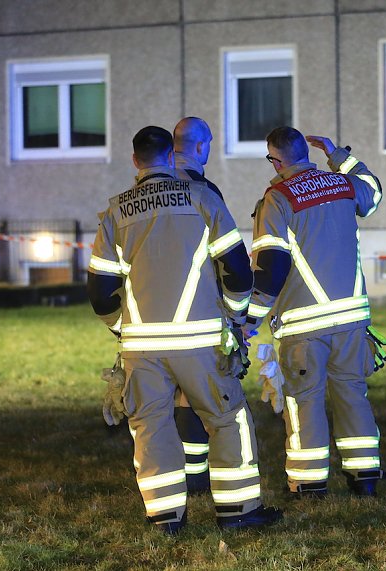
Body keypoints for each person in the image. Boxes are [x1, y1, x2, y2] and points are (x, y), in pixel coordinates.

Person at [87, 126, 282, 534]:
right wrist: (233, 317)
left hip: (143, 348)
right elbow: (236, 268)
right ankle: (239, 511)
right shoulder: (202, 198)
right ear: (170, 155)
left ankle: (165, 518)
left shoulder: (116, 212)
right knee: (227, 419)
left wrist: (125, 327)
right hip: (201, 343)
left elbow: (101, 289)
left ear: (135, 160)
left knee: (150, 427)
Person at [244, 126, 386, 498]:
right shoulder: (341, 184)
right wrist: (338, 154)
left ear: (275, 160)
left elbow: (270, 266)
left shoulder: (276, 199)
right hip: (352, 320)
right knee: (352, 393)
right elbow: (373, 191)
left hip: (303, 325)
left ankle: (309, 483)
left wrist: (252, 319)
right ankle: (365, 478)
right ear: (305, 154)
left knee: (304, 401)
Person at [169, 117, 222, 494]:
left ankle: (164, 481)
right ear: (201, 147)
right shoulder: (204, 191)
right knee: (193, 395)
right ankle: (196, 476)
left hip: (148, 317)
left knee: (157, 399)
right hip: (197, 311)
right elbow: (225, 256)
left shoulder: (143, 194)